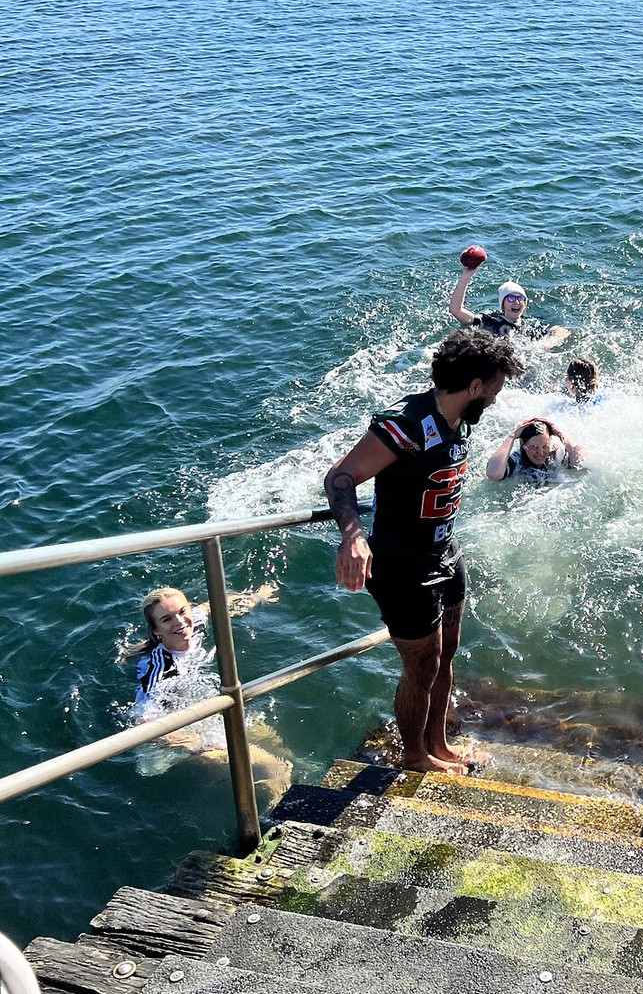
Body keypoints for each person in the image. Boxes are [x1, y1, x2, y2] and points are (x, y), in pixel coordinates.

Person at [324, 327, 526, 774]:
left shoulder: (457, 418)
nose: (495, 398)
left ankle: (439, 742)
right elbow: (339, 479)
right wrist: (353, 536)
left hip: (445, 555)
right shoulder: (406, 424)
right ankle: (414, 757)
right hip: (403, 568)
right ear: (474, 386)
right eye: (493, 388)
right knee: (421, 667)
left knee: (446, 653)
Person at [125, 585, 290, 798]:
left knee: (275, 743)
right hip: (182, 737)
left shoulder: (194, 627)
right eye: (167, 619)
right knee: (276, 769)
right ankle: (271, 825)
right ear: (155, 630)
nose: (181, 623)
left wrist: (255, 597)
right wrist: (194, 743)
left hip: (210, 716)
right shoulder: (159, 669)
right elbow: (144, 723)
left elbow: (209, 606)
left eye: (182, 611)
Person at [448, 248, 569, 349]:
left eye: (520, 298)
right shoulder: (489, 321)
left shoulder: (530, 325)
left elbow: (562, 331)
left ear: (525, 304)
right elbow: (456, 310)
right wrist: (466, 276)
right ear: (502, 304)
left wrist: (546, 344)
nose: (516, 302)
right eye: (511, 298)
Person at [486, 416, 586, 486]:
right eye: (534, 447)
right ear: (524, 446)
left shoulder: (555, 454)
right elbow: (493, 474)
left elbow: (580, 460)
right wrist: (512, 436)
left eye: (545, 446)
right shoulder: (517, 460)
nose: (541, 453)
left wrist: (560, 434)